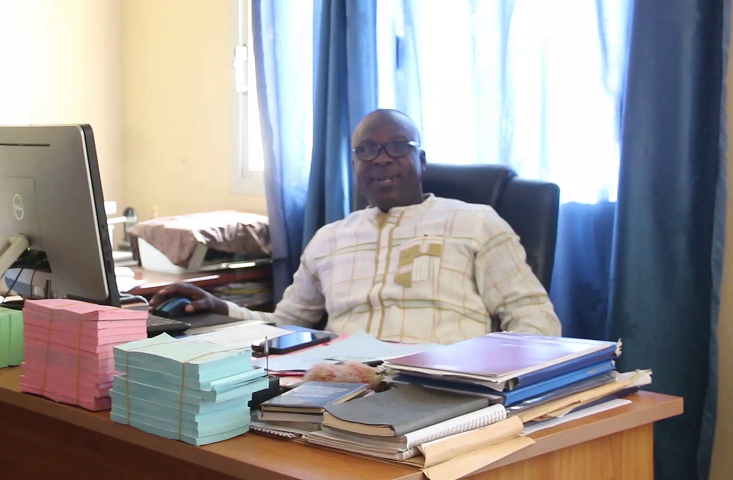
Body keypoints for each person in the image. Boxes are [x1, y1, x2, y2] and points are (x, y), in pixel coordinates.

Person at [150, 109, 561, 344]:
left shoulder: (476, 223)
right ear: (354, 166)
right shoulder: (329, 239)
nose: (381, 159)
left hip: (443, 387)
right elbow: (287, 323)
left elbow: (536, 320)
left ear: (421, 162)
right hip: (336, 386)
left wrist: (496, 381)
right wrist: (220, 307)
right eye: (367, 150)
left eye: (397, 147)